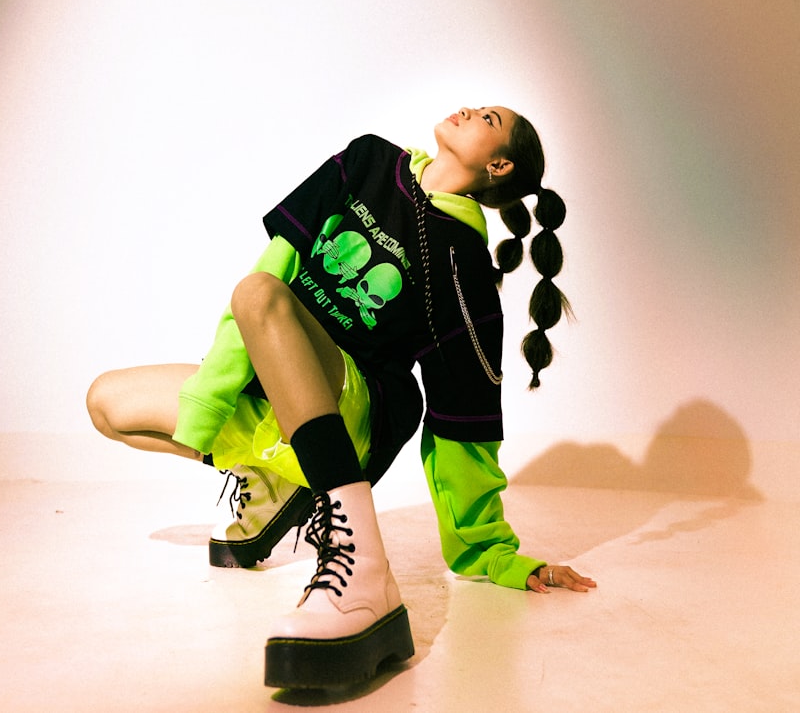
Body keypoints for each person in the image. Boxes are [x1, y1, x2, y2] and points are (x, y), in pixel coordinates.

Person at [86, 106, 596, 690]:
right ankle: (280, 477)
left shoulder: (463, 265)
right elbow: (277, 261)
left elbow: (464, 420)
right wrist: (213, 393)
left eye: (487, 118)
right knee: (107, 403)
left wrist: (495, 554)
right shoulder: (368, 161)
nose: (467, 109)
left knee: (258, 296)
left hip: (358, 407)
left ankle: (363, 569)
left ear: (498, 164)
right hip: (271, 383)